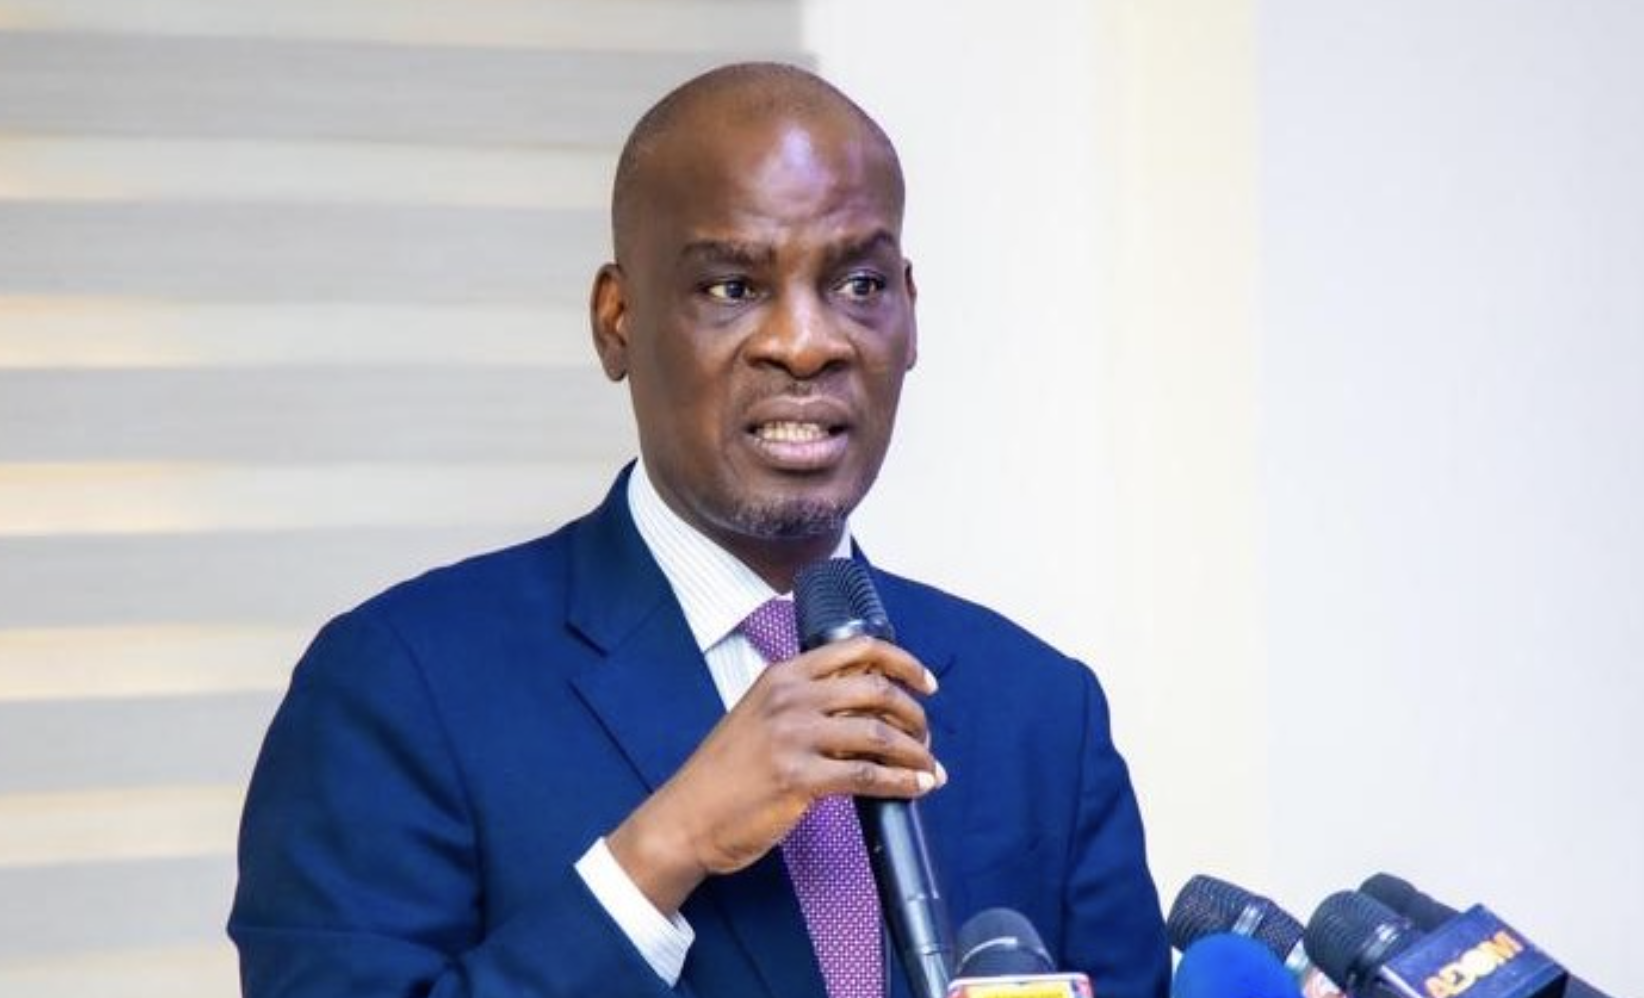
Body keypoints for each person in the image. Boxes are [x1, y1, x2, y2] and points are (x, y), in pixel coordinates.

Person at [229, 62, 1170, 998]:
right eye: (732, 287)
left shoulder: (1044, 712)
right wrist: (665, 848)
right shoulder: (400, 687)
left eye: (859, 283)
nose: (807, 343)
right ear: (617, 321)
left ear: (911, 316)